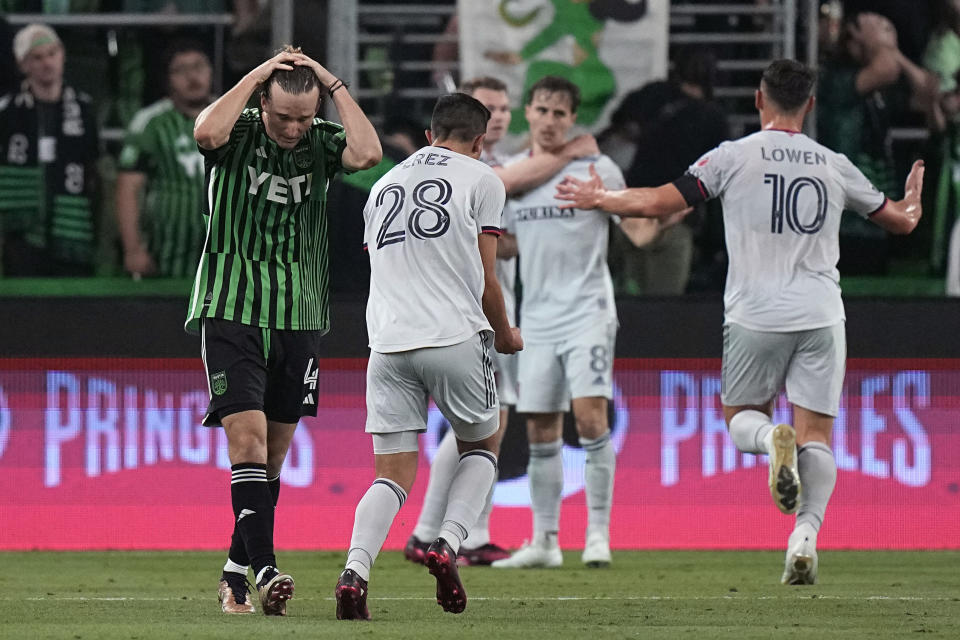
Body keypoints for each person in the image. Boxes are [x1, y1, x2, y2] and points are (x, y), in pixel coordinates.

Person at [556, 59, 925, 584]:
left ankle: (771, 435)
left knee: (739, 417)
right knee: (816, 434)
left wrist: (601, 198)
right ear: (811, 105)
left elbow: (659, 202)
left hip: (756, 313)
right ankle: (803, 539)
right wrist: (911, 201)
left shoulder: (731, 157)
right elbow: (899, 222)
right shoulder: (833, 164)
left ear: (758, 99)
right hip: (821, 314)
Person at [187, 46, 381, 616]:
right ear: (262, 102)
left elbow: (367, 151)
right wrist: (255, 77)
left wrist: (330, 81)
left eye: (304, 116)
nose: (294, 128)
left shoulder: (322, 140)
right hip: (231, 304)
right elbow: (204, 131)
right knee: (245, 443)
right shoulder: (240, 132)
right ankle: (267, 570)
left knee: (271, 458)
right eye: (283, 117)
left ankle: (232, 572)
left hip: (299, 310)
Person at [403, 75, 606, 567]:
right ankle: (452, 533)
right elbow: (505, 198)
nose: (496, 116)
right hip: (479, 312)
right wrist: (572, 152)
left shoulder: (502, 165)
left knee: (482, 422)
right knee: (484, 423)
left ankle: (443, 531)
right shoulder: (482, 171)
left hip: (495, 308)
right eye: (487, 108)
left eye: (502, 107)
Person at [334, 92, 523, 620]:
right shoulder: (483, 180)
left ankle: (355, 570)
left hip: (387, 343)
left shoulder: (385, 185)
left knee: (391, 474)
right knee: (483, 445)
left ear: (428, 135)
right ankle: (448, 542)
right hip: (453, 336)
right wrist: (505, 332)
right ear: (480, 142)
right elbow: (487, 275)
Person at [490, 75, 658, 570]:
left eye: (559, 114)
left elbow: (636, 227)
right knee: (541, 428)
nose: (548, 121)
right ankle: (544, 541)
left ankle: (599, 535)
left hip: (588, 312)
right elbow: (509, 242)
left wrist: (655, 217)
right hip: (536, 317)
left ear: (573, 120)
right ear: (529, 112)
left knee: (589, 421)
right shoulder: (519, 175)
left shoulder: (598, 167)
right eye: (541, 110)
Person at [0, 23, 100, 277]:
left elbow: (93, 168)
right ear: (23, 65)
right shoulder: (7, 110)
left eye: (52, 53)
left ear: (62, 55)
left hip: (72, 228)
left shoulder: (83, 108)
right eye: (38, 57)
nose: (47, 63)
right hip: (20, 233)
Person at [115, 40, 213, 278]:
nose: (192, 77)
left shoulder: (236, 117)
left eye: (199, 66)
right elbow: (128, 188)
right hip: (165, 251)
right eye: (181, 70)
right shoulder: (150, 122)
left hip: (225, 252)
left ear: (211, 70)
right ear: (167, 79)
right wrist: (133, 249)